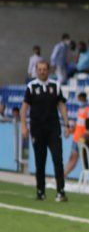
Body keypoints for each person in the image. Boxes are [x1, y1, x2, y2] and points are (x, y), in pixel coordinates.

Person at [19, 60, 70, 202]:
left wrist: (67, 124)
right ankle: (40, 191)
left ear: (48, 70)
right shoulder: (31, 86)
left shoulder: (55, 85)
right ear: (36, 70)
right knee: (40, 161)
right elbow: (24, 108)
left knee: (57, 159)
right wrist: (24, 126)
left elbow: (61, 105)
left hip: (53, 128)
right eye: (39, 69)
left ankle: (61, 191)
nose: (42, 71)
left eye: (44, 69)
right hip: (37, 129)